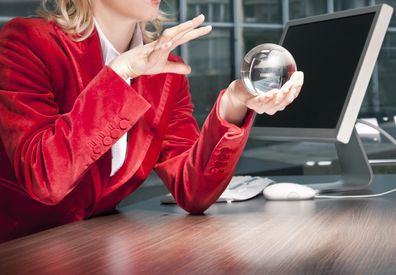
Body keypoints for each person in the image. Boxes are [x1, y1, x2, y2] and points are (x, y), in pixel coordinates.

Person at [0, 0, 304, 242]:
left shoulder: (166, 71)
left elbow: (193, 191)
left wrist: (233, 103)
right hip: (19, 246)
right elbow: (45, 177)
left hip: (93, 247)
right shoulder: (27, 42)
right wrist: (120, 75)